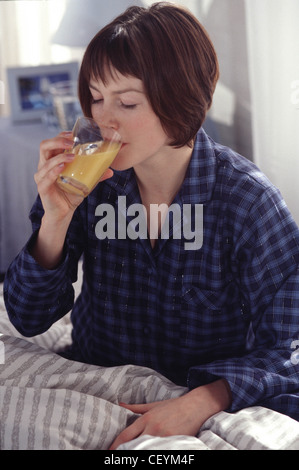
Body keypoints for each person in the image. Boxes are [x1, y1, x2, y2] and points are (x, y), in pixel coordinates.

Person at [4, 2, 299, 449]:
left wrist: (202, 401)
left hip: (191, 400)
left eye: (126, 102)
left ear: (179, 99)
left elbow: (290, 348)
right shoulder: (90, 184)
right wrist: (54, 221)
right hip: (98, 385)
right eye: (97, 98)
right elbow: (27, 318)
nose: (104, 119)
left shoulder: (247, 201)